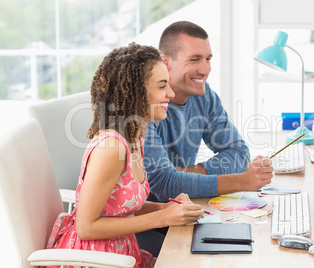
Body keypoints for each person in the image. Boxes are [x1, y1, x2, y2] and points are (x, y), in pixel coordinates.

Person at [45, 42, 204, 268]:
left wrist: (168, 207)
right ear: (137, 92)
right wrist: (163, 218)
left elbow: (122, 207)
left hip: (122, 253)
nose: (171, 93)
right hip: (95, 260)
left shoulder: (134, 138)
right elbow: (86, 227)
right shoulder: (112, 147)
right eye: (162, 86)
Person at [143, 21, 274, 202]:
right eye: (194, 59)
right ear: (166, 62)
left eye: (208, 59)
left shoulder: (203, 96)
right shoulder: (143, 105)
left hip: (183, 207)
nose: (205, 69)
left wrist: (192, 172)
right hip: (151, 219)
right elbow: (163, 185)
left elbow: (239, 153)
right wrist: (242, 181)